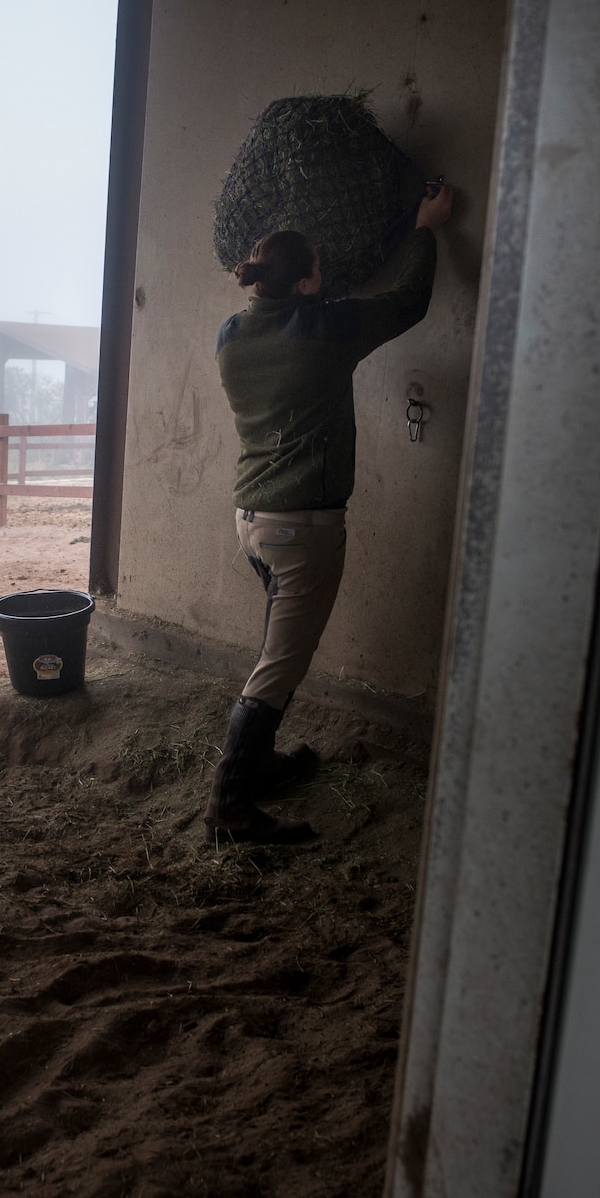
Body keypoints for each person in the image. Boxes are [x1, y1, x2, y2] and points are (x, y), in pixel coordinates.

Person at [204, 180, 457, 842]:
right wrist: (426, 228)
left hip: (252, 520)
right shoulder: (326, 329)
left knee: (276, 645)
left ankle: (257, 766)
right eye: (322, 266)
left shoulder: (231, 335)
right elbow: (409, 302)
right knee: (278, 665)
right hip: (301, 529)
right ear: (310, 283)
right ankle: (230, 810)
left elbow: (294, 312)